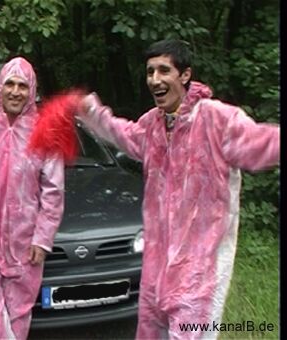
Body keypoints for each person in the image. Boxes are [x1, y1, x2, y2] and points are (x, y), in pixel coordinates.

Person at [78, 39, 279, 339]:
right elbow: (124, 135)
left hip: (201, 269)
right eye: (149, 72)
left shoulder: (215, 118)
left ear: (185, 75)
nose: (155, 80)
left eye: (164, 70)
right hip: (157, 270)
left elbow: (261, 143)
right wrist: (93, 114)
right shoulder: (152, 124)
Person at [0, 57, 65, 339]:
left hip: (26, 247)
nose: (15, 91)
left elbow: (53, 191)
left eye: (23, 85)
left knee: (19, 315)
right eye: (10, 83)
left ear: (31, 91)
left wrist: (43, 239)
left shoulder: (45, 134)